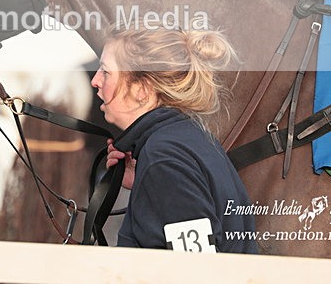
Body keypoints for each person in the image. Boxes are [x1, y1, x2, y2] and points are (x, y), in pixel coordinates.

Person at [93, 27, 257, 252]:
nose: (95, 81)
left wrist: (157, 173)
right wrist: (145, 179)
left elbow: (195, 271)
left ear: (141, 89)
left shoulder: (164, 157)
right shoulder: (189, 139)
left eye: (105, 71)